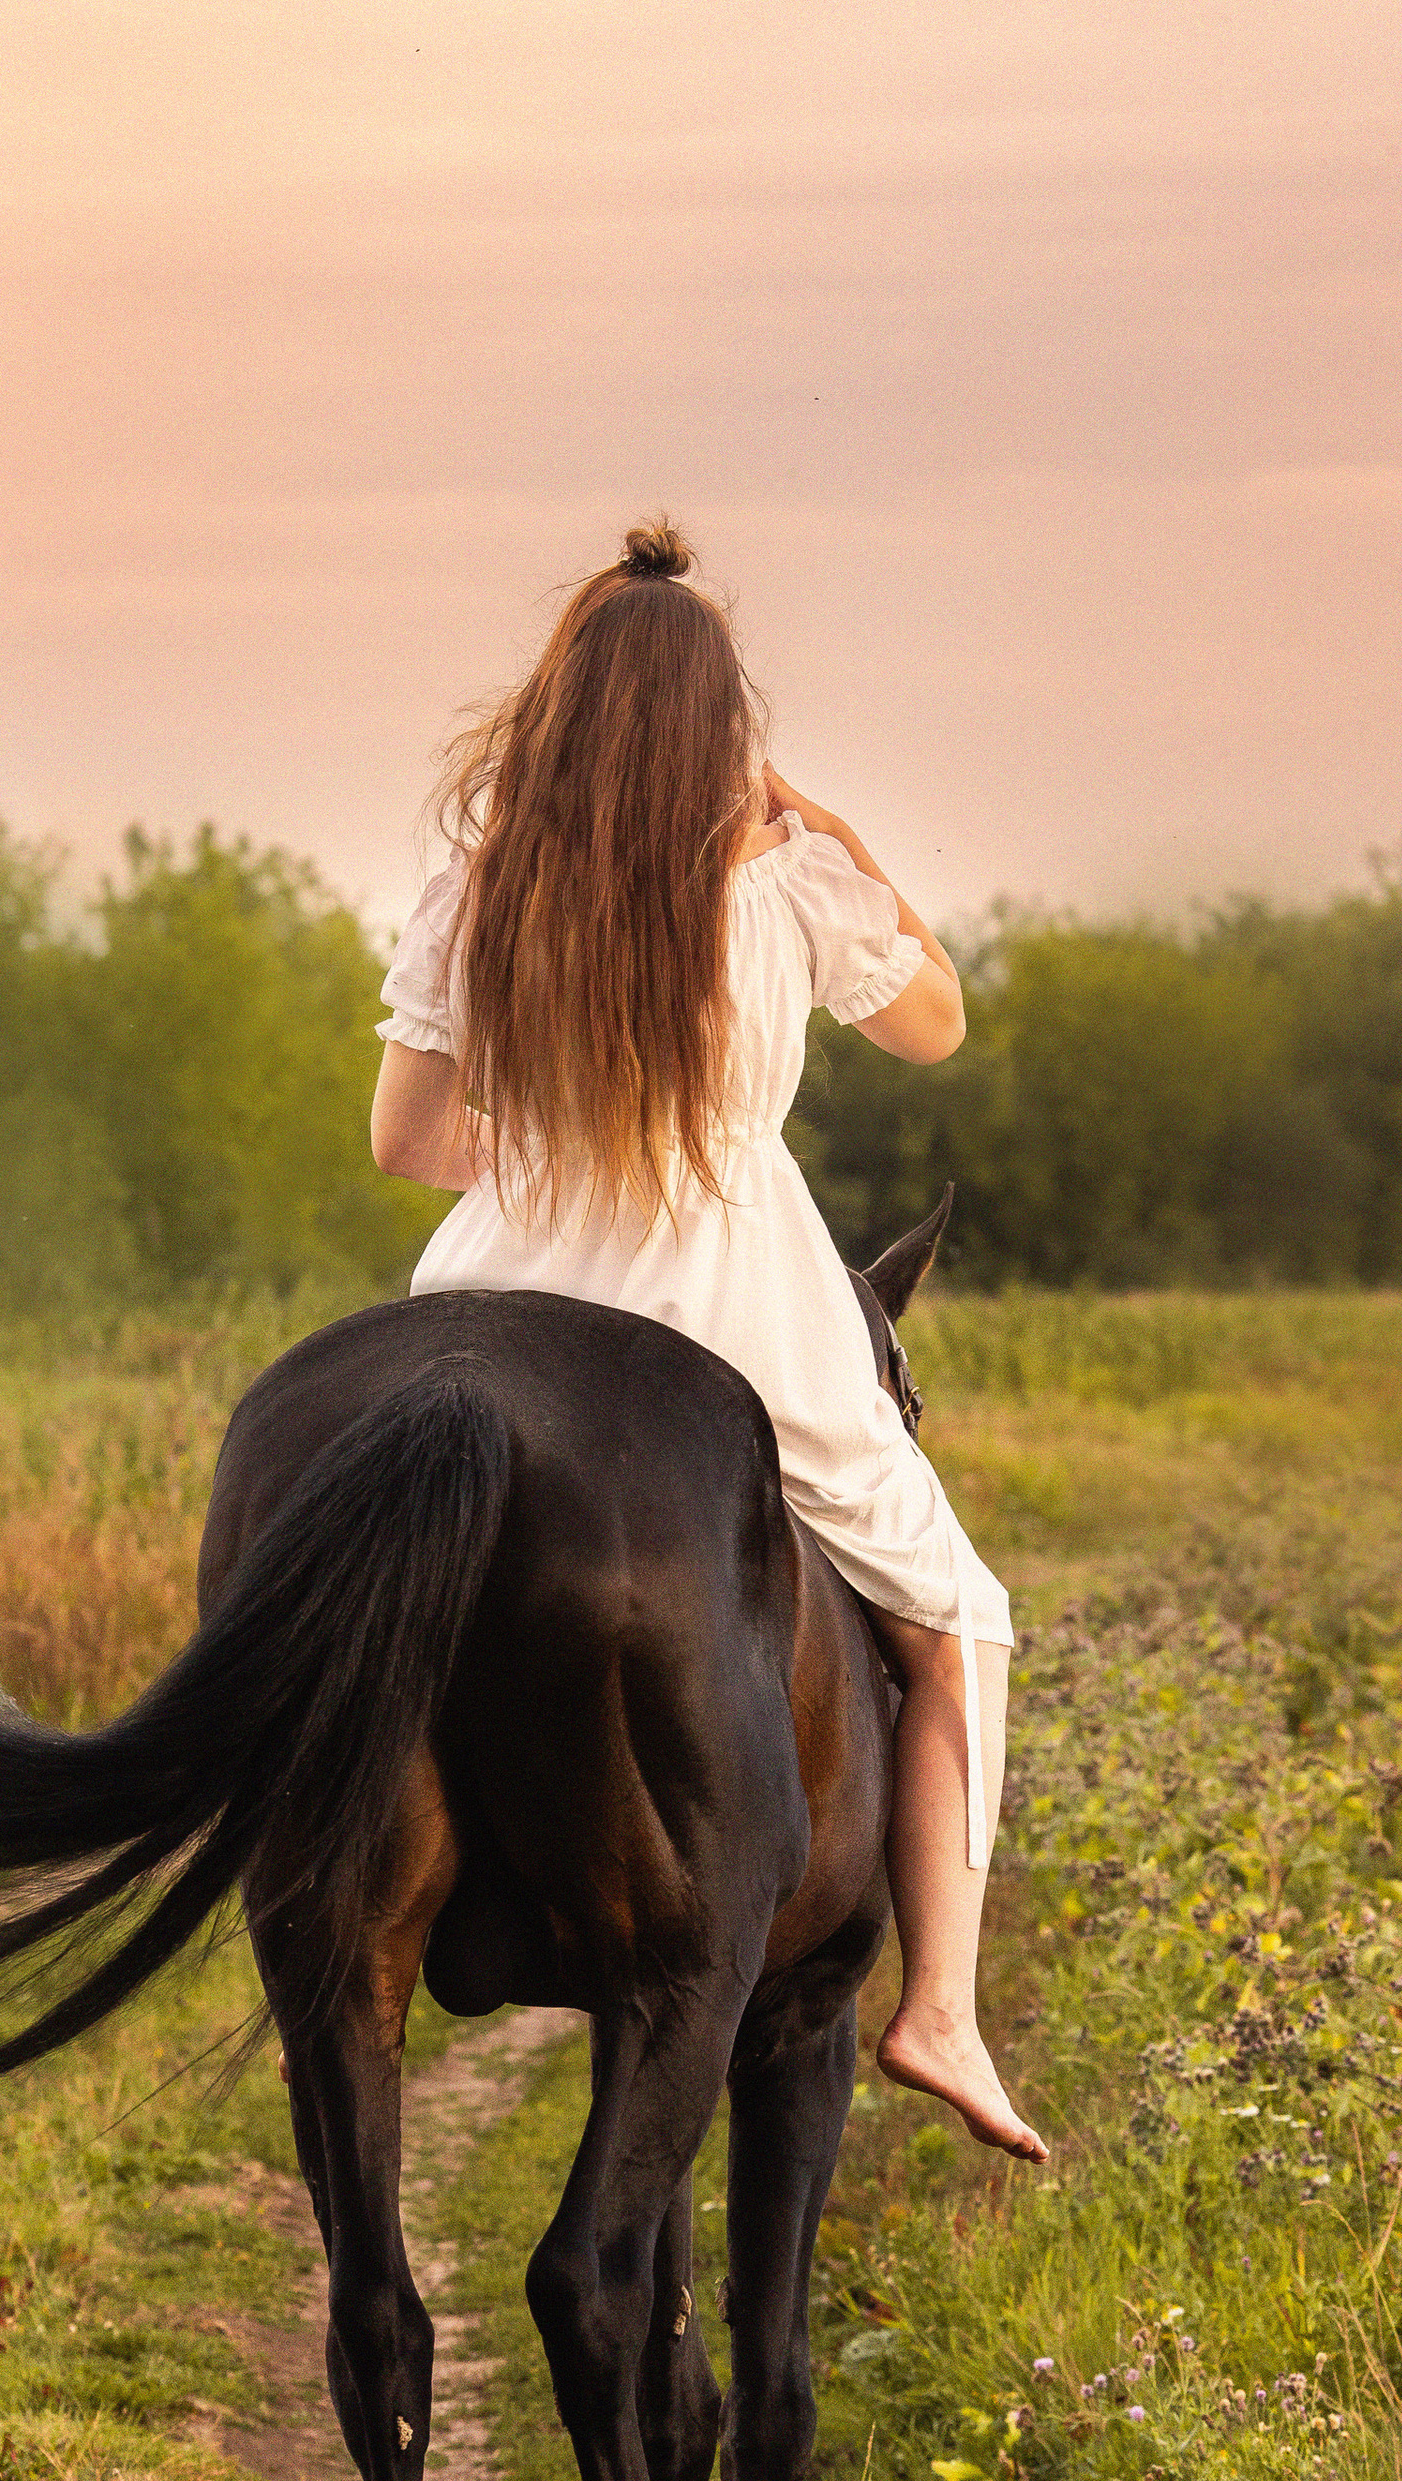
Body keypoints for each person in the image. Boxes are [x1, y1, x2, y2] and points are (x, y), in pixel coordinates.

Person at [367, 519, 1043, 2164]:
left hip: (500, 1295)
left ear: (556, 708)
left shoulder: (479, 885)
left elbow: (406, 1144)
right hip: (737, 1309)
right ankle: (941, 2010)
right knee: (957, 1619)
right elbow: (938, 1026)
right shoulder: (789, 881)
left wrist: (552, 1148)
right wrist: (837, 830)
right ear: (724, 723)